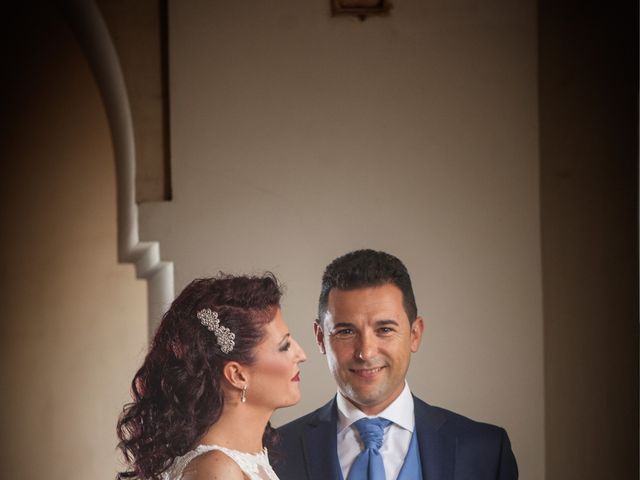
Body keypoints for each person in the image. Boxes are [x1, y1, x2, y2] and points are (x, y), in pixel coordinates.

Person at [272, 249, 518, 479]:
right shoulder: (274, 452)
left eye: (385, 329)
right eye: (346, 331)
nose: (366, 352)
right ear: (320, 338)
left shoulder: (485, 450)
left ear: (414, 334)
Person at [117, 273, 307, 480]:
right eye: (285, 346)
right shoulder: (217, 470)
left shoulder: (243, 461)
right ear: (237, 375)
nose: (301, 355)